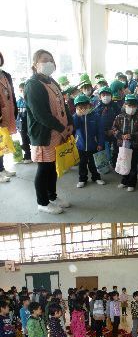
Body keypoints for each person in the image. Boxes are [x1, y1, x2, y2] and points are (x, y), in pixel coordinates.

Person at [24, 49, 74, 214]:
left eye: (51, 60)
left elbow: (63, 105)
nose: (49, 63)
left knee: (53, 167)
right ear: (35, 64)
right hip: (44, 135)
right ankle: (42, 202)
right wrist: (61, 128)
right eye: (44, 60)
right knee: (44, 168)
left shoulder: (52, 81)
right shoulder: (32, 85)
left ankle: (52, 196)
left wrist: (70, 123)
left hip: (58, 133)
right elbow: (40, 114)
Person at [112, 94, 138, 192]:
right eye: (129, 105)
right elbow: (114, 128)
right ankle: (124, 181)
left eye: (133, 106)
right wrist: (120, 135)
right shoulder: (119, 117)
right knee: (123, 162)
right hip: (122, 145)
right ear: (124, 105)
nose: (131, 108)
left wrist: (132, 136)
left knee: (133, 164)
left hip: (134, 145)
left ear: (137, 106)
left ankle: (132, 183)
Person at [0, 52, 19, 182]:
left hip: (8, 112)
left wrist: (15, 110)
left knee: (3, 142)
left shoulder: (6, 75)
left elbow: (12, 94)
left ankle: (2, 168)